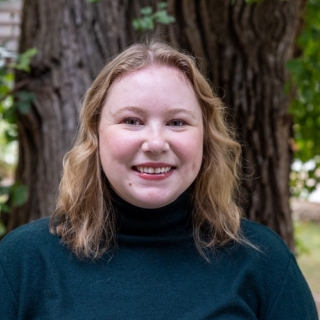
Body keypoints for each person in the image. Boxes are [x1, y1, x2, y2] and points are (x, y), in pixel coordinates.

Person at [0, 40, 317, 320]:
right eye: (131, 121)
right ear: (96, 134)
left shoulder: (263, 261)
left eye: (177, 122)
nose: (155, 143)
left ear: (206, 137)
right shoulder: (24, 262)